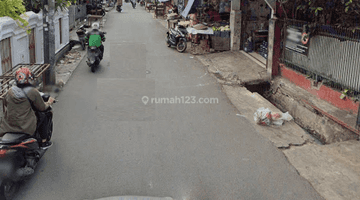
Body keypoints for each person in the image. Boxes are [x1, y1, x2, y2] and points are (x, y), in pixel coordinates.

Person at [0, 67, 55, 148]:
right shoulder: (32, 91)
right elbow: (42, 107)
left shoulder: (10, 91)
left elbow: (5, 103)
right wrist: (49, 102)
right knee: (43, 114)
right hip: (25, 127)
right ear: (29, 78)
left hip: (8, 125)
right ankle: (44, 142)